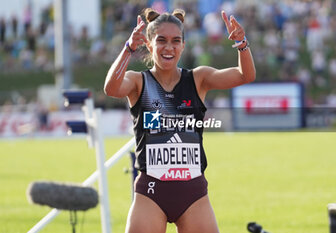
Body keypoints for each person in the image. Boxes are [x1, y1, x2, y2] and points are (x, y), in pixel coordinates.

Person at [104, 8, 255, 233]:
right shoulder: (138, 82)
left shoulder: (198, 78)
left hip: (193, 193)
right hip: (151, 193)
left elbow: (246, 75)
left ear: (183, 46)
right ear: (149, 43)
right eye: (161, 40)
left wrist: (242, 43)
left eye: (176, 41)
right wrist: (128, 49)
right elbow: (111, 88)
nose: (169, 47)